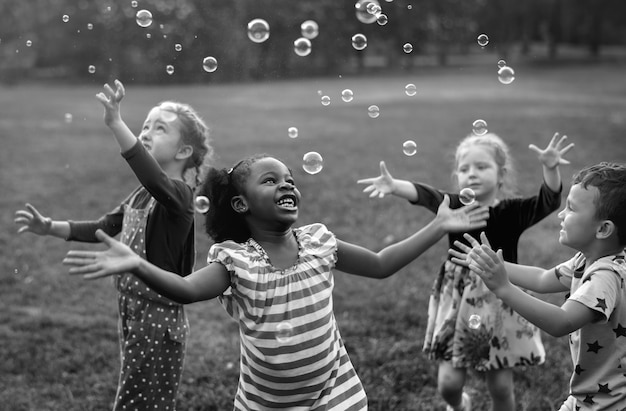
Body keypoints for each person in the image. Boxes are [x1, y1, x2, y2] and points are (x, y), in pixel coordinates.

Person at [62, 153, 490, 410]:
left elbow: (380, 263)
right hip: (266, 403)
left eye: (289, 179)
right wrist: (137, 263)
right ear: (240, 203)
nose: (287, 184)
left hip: (332, 390)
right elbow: (187, 290)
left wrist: (437, 228)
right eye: (271, 180)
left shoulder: (320, 242)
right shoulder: (238, 262)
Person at [14, 79, 213, 411]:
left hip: (159, 317)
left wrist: (116, 123)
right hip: (133, 310)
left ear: (183, 152)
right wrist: (51, 228)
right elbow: (103, 228)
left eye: (159, 128)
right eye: (145, 125)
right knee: (136, 392)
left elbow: (152, 177)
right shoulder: (141, 195)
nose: (146, 132)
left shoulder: (178, 196)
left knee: (141, 401)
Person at [357, 132, 574, 411]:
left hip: (500, 296)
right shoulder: (454, 206)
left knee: (500, 386)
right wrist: (395, 185)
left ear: (501, 174)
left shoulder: (512, 211)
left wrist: (550, 168)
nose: (472, 174)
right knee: (448, 384)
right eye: (464, 168)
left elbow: (548, 201)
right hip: (459, 300)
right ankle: (460, 405)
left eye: (481, 167)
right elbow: (425, 194)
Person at [454, 162, 626, 411]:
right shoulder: (588, 259)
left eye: (571, 208)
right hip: (590, 395)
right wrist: (493, 265)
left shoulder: (605, 276)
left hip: (608, 402)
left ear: (603, 229)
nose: (561, 214)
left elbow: (562, 322)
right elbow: (543, 279)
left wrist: (503, 288)